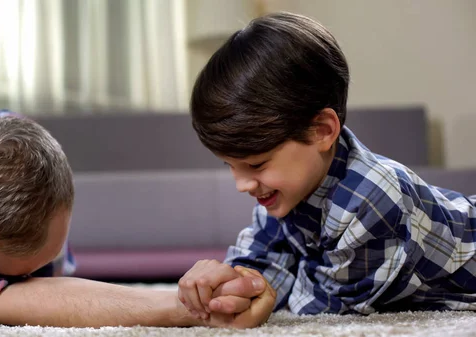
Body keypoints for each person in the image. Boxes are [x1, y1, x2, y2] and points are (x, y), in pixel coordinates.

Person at [178, 11, 476, 319]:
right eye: (230, 165)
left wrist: (258, 294)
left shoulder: (370, 198)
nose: (242, 185)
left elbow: (326, 304)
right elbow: (262, 257)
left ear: (322, 131)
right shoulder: (287, 190)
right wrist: (232, 283)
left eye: (256, 164)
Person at [0, 99, 272, 328]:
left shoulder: (16, 141)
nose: (35, 282)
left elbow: (33, 292)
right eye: (14, 276)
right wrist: (187, 309)